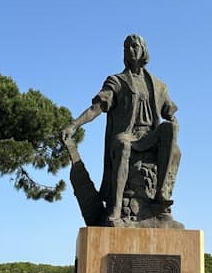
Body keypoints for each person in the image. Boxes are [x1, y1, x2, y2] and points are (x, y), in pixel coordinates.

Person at [61, 34, 180, 226]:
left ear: (143, 50)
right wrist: (74, 124)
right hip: (127, 136)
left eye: (134, 46)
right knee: (123, 145)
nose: (130, 50)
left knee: (171, 129)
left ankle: (161, 195)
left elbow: (170, 112)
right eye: (126, 47)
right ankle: (115, 209)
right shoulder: (117, 81)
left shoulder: (158, 85)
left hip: (150, 136)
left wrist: (172, 130)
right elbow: (96, 108)